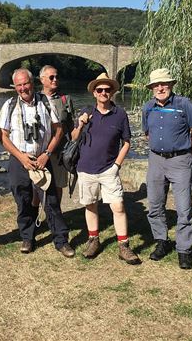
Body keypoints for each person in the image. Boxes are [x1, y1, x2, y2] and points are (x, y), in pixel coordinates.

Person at [0, 68, 75, 258]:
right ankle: (27, 237)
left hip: (42, 158)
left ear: (33, 83)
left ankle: (61, 241)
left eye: (26, 83)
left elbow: (58, 130)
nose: (23, 88)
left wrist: (47, 153)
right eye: (19, 85)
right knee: (23, 200)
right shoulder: (8, 105)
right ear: (15, 87)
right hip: (19, 160)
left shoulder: (46, 103)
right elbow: (4, 137)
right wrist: (21, 156)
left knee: (51, 201)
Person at [71, 73, 141, 265]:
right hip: (86, 168)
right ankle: (94, 240)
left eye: (107, 90)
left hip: (108, 169)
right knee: (90, 204)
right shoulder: (86, 111)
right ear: (94, 93)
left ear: (112, 92)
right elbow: (74, 137)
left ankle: (123, 245)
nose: (104, 93)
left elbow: (126, 142)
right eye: (100, 90)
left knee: (117, 205)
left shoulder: (120, 114)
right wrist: (81, 123)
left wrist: (117, 165)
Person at [142, 68, 192, 270]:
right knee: (155, 205)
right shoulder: (148, 107)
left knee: (184, 208)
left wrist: (188, 155)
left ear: (171, 85)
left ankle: (184, 250)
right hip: (156, 161)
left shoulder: (184, 104)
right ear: (151, 88)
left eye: (164, 84)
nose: (160, 88)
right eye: (156, 85)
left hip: (180, 161)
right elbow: (147, 134)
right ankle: (161, 241)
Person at [37, 65, 75, 200]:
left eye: (57, 77)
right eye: (51, 77)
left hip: (60, 151)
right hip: (39, 152)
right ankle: (39, 217)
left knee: (58, 186)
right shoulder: (34, 99)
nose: (55, 79)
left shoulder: (65, 100)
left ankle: (56, 216)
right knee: (38, 186)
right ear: (42, 80)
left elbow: (71, 127)